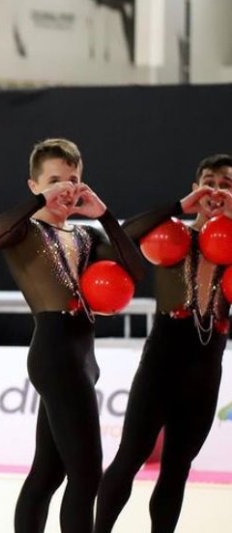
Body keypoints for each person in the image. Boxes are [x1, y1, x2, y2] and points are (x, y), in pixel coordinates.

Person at [0, 138, 144, 533]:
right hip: (55, 352)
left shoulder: (86, 237)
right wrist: (40, 202)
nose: (65, 189)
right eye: (54, 180)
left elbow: (135, 270)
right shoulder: (25, 231)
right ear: (33, 185)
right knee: (86, 474)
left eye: (72, 179)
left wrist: (104, 215)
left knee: (48, 473)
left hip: (83, 356)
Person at [94, 154, 232, 533]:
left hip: (207, 365)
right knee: (130, 457)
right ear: (194, 189)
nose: (217, 189)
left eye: (227, 183)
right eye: (209, 181)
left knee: (177, 468)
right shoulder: (173, 235)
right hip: (163, 359)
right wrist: (177, 208)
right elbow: (121, 237)